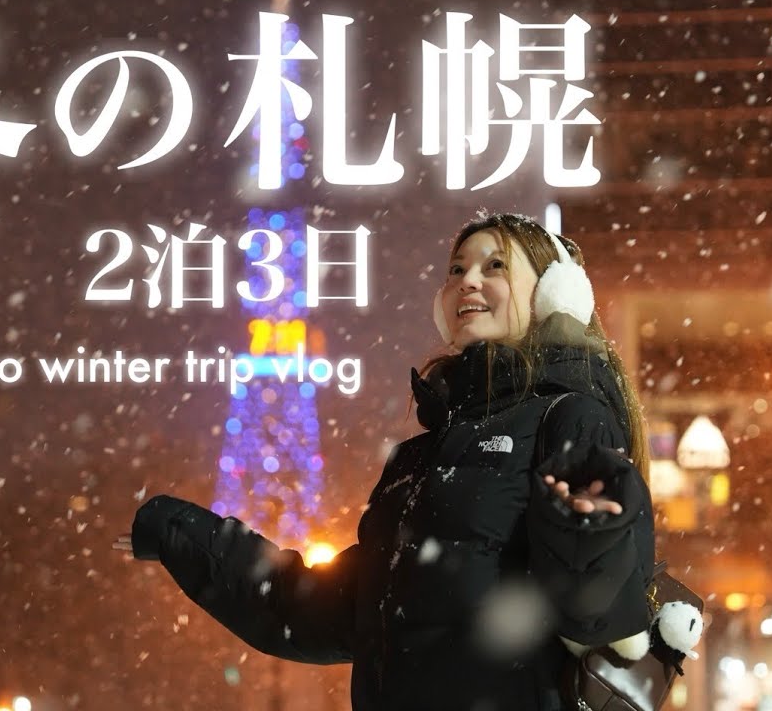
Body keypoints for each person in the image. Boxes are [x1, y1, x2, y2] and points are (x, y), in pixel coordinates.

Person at [114, 212, 656, 711]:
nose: (468, 280)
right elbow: (320, 613)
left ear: (551, 297)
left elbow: (598, 616)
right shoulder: (418, 456)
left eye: (495, 266)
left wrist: (588, 533)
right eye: (456, 268)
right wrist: (179, 532)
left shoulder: (571, 417)